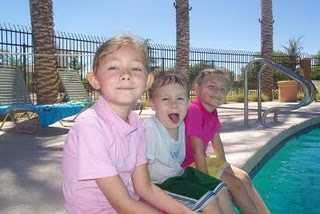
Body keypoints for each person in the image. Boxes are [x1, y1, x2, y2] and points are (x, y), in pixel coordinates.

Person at [62, 35, 193, 214]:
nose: (126, 75)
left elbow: (145, 187)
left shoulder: (136, 123)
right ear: (95, 80)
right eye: (113, 67)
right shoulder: (90, 127)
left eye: (136, 68)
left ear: (148, 81)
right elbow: (123, 205)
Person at [182, 68, 270, 214]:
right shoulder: (194, 110)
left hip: (200, 160)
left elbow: (217, 143)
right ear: (196, 88)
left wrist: (225, 167)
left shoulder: (212, 111)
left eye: (222, 89)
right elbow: (197, 151)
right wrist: (205, 183)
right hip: (188, 166)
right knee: (235, 184)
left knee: (243, 177)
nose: (217, 92)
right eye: (211, 86)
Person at [144, 71, 233, 214]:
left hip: (179, 174)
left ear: (187, 102)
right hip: (161, 183)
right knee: (209, 202)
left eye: (180, 98)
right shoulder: (150, 130)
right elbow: (140, 174)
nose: (174, 105)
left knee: (221, 189)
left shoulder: (181, 126)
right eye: (166, 99)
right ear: (152, 103)